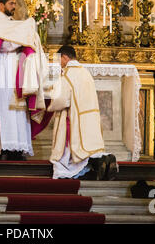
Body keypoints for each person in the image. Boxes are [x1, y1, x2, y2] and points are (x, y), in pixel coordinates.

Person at [0, 0, 49, 160]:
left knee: (19, 108)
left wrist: (24, 39)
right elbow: (1, 45)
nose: (14, 7)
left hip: (16, 67)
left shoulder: (11, 23)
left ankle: (18, 147)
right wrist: (22, 39)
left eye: (15, 3)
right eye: (11, 3)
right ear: (1, 5)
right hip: (3, 68)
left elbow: (17, 39)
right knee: (4, 107)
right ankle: (2, 148)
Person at [47, 45, 117, 180]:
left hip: (73, 118)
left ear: (65, 57)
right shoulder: (85, 72)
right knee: (86, 147)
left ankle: (90, 166)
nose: (59, 64)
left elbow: (61, 100)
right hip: (89, 117)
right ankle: (101, 161)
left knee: (70, 151)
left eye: (59, 60)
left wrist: (50, 104)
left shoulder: (67, 75)